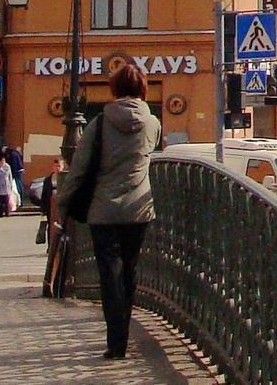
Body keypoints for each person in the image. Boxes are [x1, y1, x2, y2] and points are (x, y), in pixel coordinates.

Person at [55, 63, 161, 361]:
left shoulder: (99, 123)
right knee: (129, 271)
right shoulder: (153, 123)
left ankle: (116, 342)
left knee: (109, 275)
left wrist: (63, 206)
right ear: (142, 88)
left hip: (103, 210)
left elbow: (78, 169)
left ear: (114, 89)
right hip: (139, 209)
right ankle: (126, 328)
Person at [0, 152, 19, 217]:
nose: (3, 162)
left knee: (7, 201)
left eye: (4, 160)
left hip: (7, 186)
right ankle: (0, 213)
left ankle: (7, 213)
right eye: (1, 161)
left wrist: (11, 185)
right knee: (0, 201)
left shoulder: (8, 167)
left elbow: (10, 176)